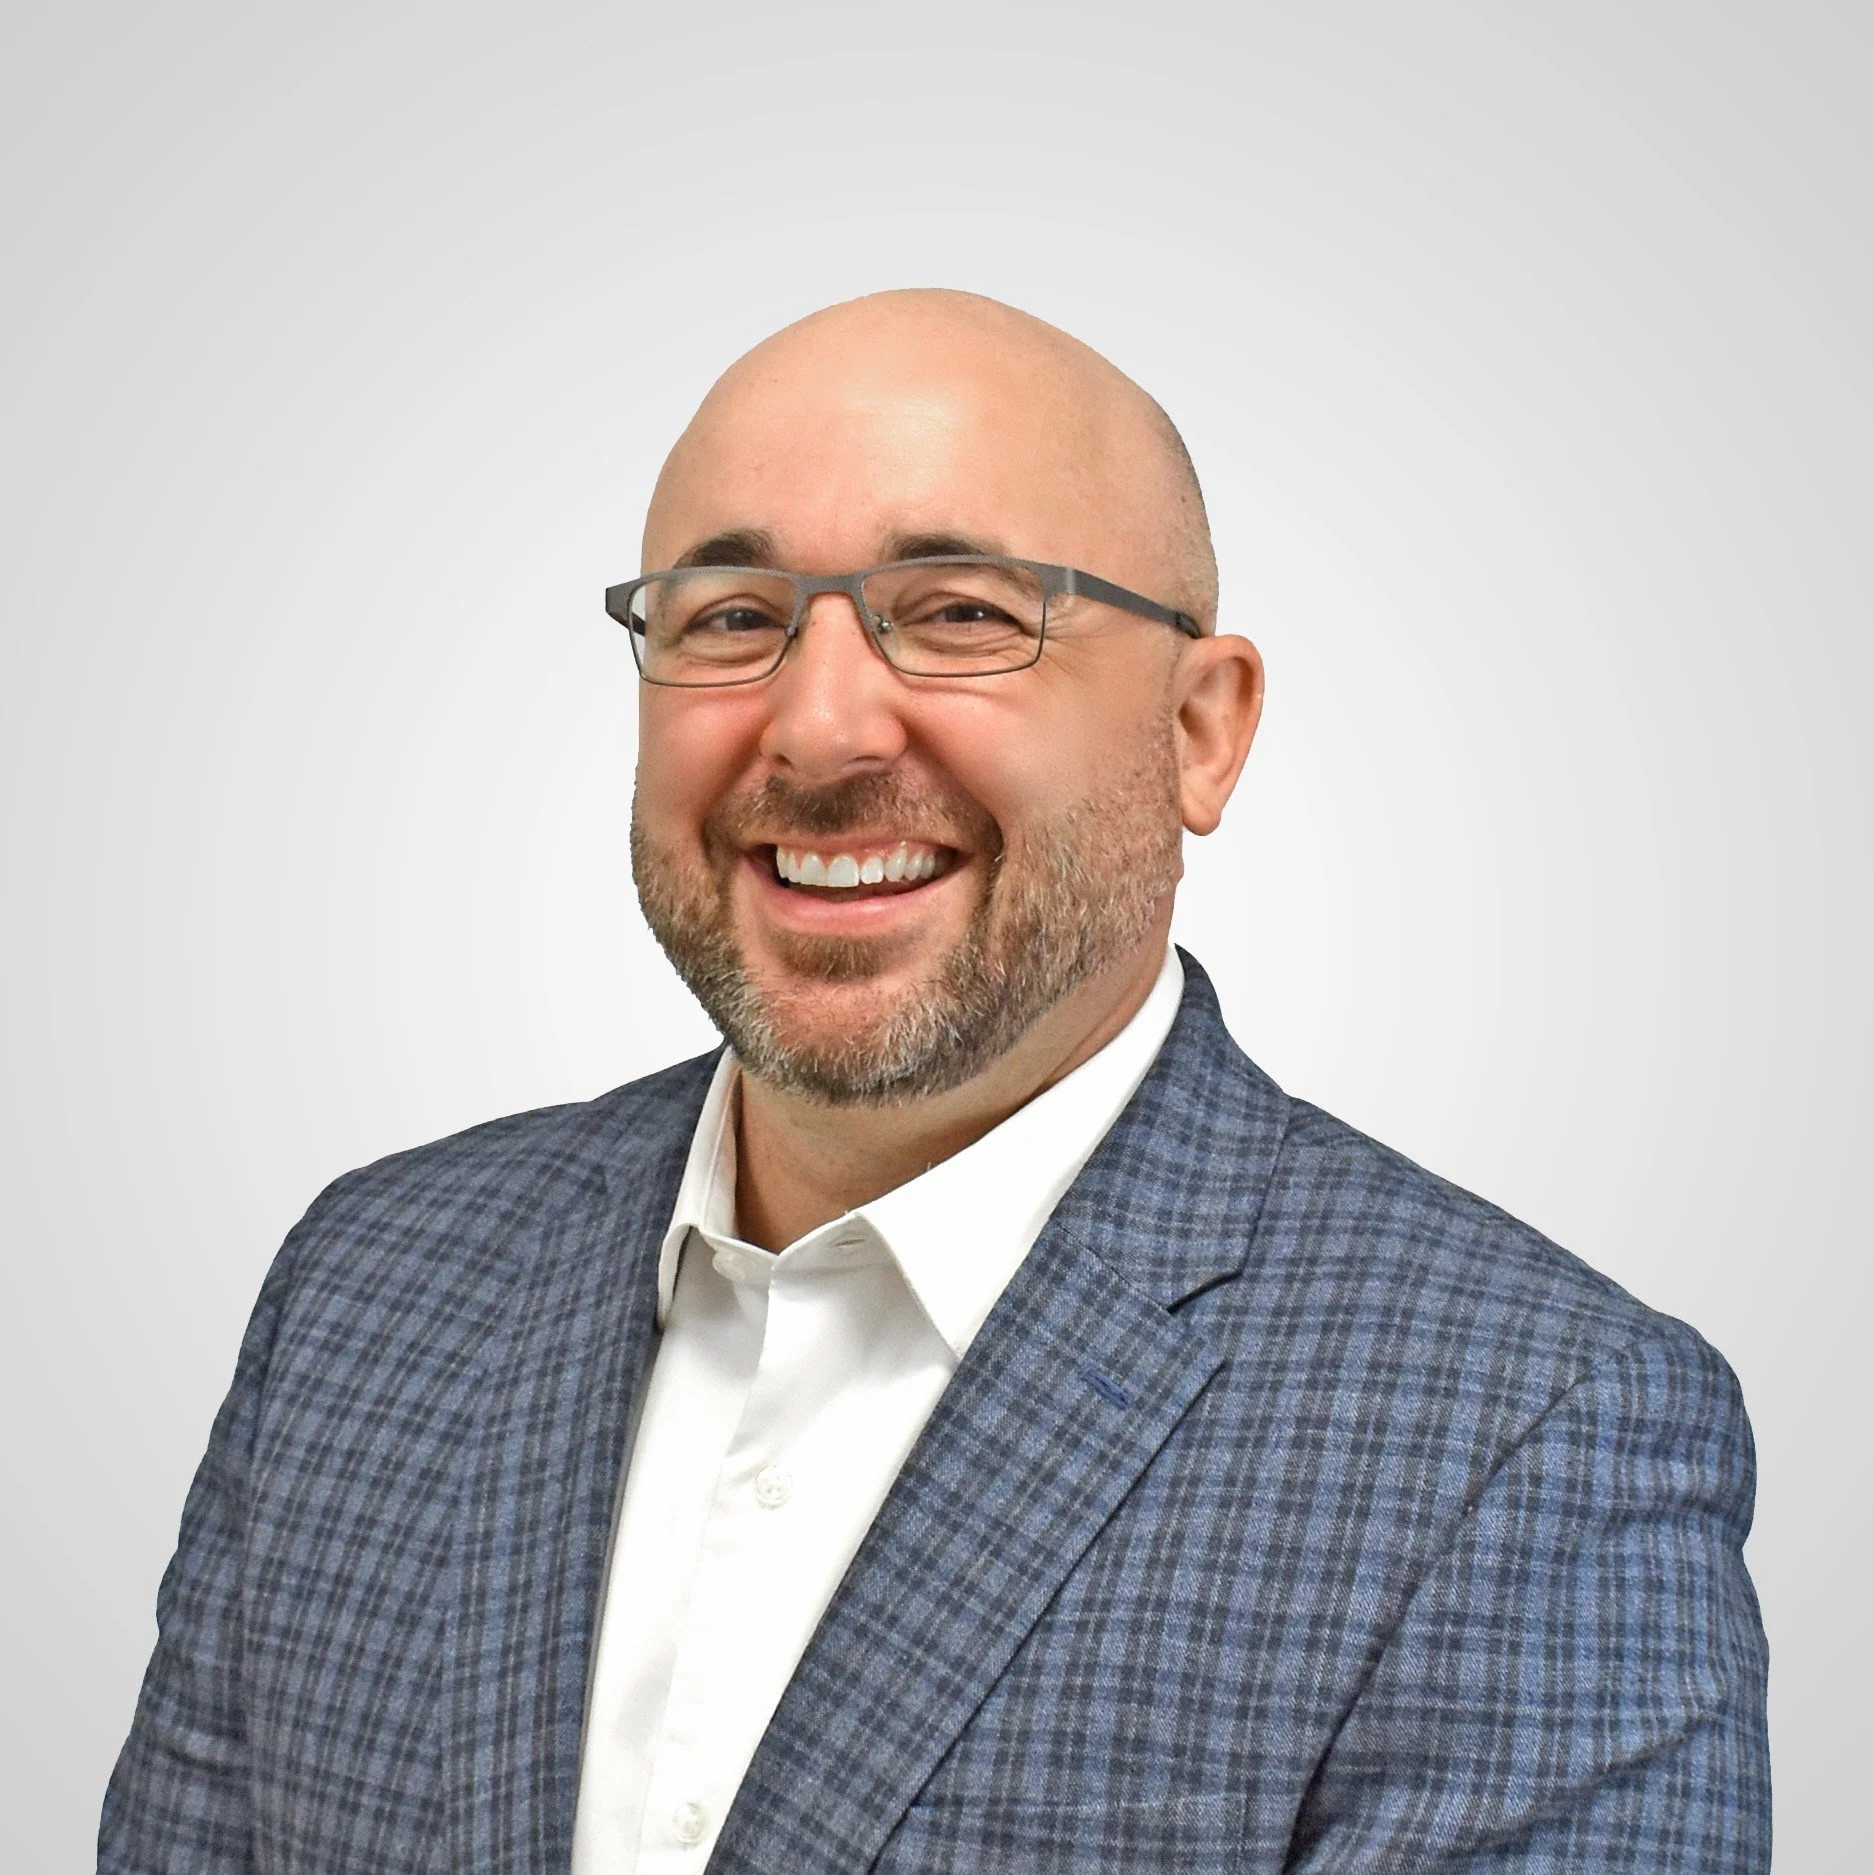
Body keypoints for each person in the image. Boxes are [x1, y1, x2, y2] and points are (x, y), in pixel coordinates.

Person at [101, 290, 1770, 1873]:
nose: (819, 727)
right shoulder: (368, 1287)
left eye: (963, 612)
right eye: (731, 618)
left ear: (1201, 729)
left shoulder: (1529, 1437)